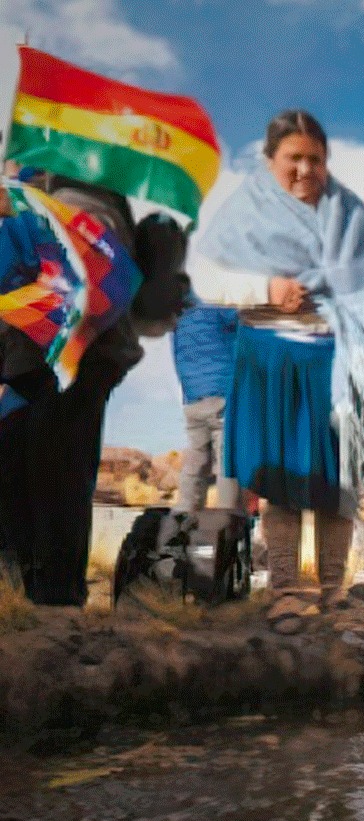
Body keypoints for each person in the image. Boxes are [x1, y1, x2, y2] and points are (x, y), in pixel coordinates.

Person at [189, 110, 364, 605]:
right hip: (271, 360)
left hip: (339, 362)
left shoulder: (350, 214)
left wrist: (358, 317)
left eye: (316, 159)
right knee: (282, 481)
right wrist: (264, 289)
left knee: (340, 483)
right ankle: (287, 591)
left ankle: (332, 591)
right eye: (293, 158)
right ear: (270, 159)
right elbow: (206, 282)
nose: (305, 170)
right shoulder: (245, 210)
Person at [0, 172, 186, 605]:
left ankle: (57, 603)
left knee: (56, 472)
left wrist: (19, 203)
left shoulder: (87, 190)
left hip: (82, 353)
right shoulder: (30, 187)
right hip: (26, 354)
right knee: (14, 470)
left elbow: (88, 257)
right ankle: (18, 598)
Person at [171, 297, 241, 513]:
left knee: (196, 460)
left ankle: (183, 517)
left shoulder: (178, 316)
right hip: (221, 391)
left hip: (192, 397)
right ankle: (226, 520)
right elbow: (241, 324)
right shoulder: (215, 305)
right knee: (226, 462)